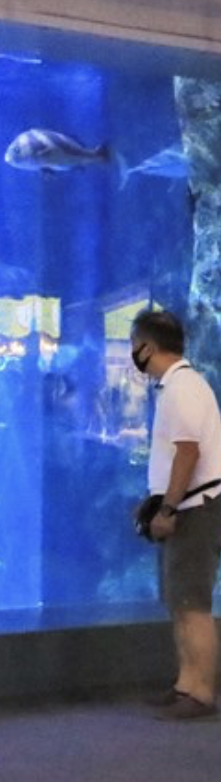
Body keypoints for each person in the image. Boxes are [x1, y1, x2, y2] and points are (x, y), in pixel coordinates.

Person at [130, 309, 221, 721]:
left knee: (193, 602)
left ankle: (201, 693)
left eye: (135, 347)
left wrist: (167, 507)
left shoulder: (183, 388)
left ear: (148, 347)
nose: (135, 355)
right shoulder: (178, 386)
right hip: (186, 506)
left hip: (194, 509)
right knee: (179, 601)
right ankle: (186, 682)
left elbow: (188, 452)